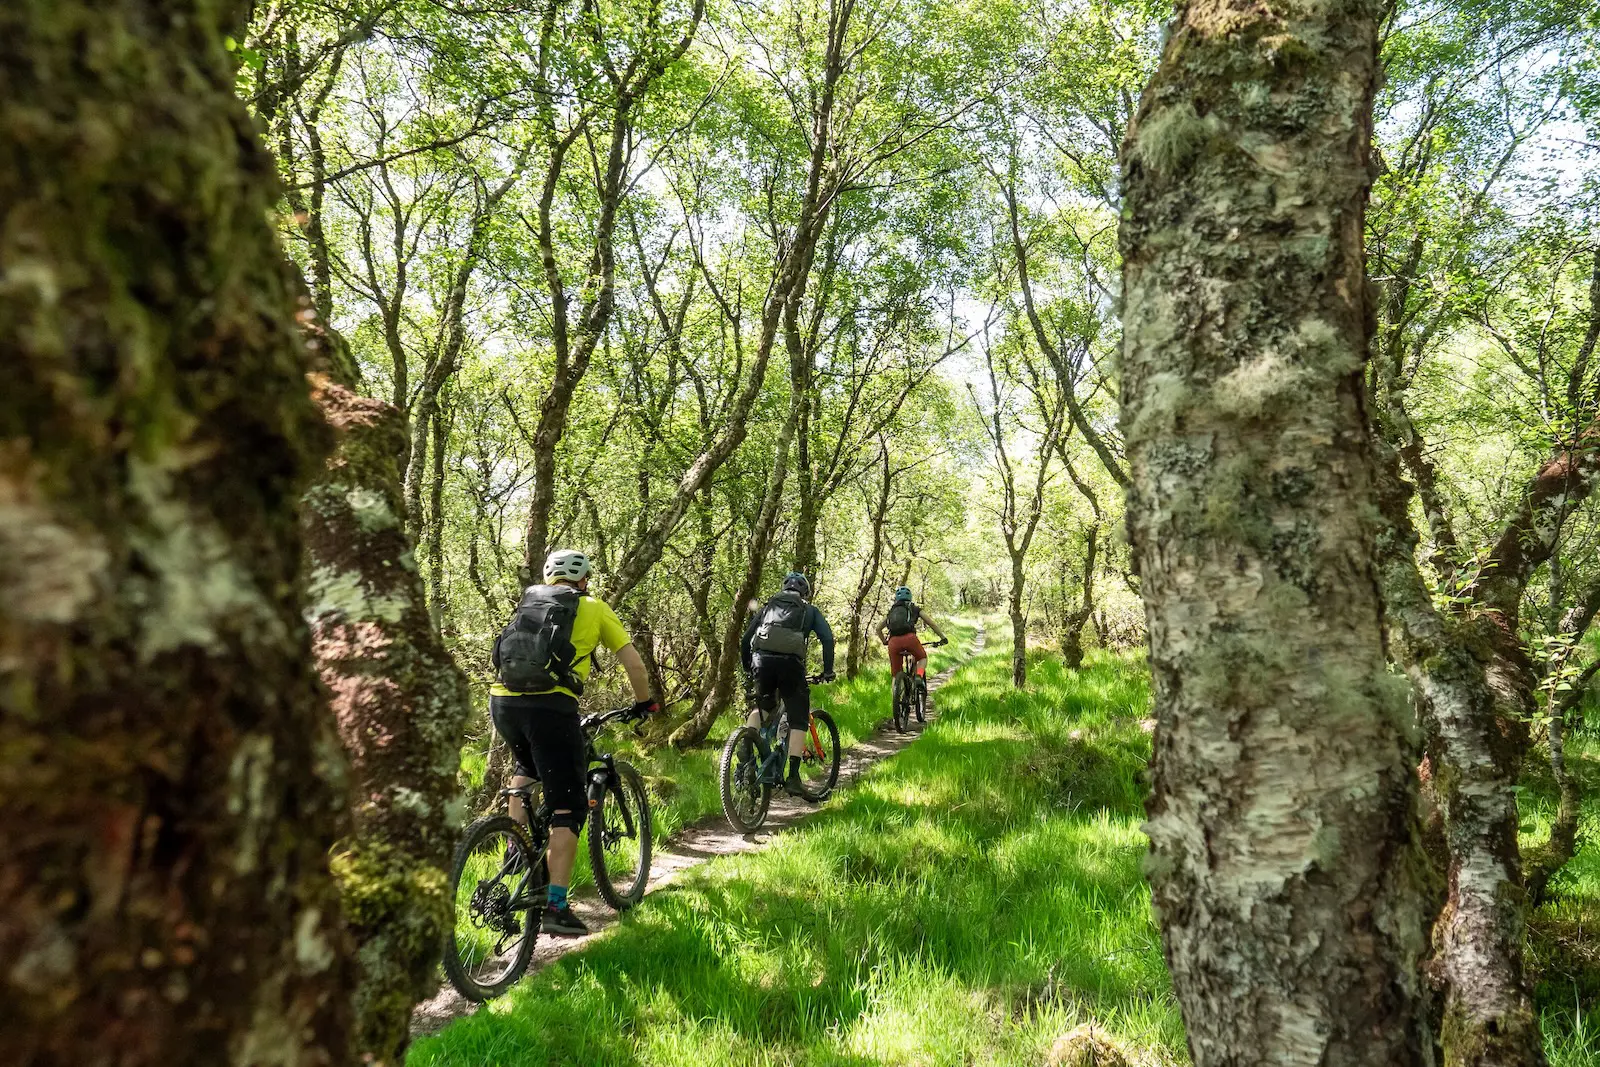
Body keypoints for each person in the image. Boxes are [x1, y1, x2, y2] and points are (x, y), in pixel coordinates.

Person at [489, 549, 659, 936]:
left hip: (502, 701)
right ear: (584, 579)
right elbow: (633, 663)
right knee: (567, 806)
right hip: (551, 706)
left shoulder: (529, 600)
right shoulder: (595, 607)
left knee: (526, 770)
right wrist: (644, 702)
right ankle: (556, 906)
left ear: (549, 578)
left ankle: (515, 852)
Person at [740, 572, 835, 797]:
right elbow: (828, 638)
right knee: (799, 717)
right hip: (791, 665)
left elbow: (746, 640)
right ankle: (793, 776)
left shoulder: (767, 607)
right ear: (805, 593)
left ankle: (746, 746)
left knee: (762, 707)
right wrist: (828, 670)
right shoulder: (809, 610)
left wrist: (748, 668)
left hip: (761, 662)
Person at [878, 586, 947, 701]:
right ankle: (919, 675)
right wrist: (942, 637)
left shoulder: (892, 611)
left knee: (896, 674)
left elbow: (877, 628)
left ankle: (896, 701)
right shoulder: (914, 608)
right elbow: (931, 623)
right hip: (910, 639)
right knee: (922, 658)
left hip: (893, 642)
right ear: (910, 597)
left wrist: (884, 641)